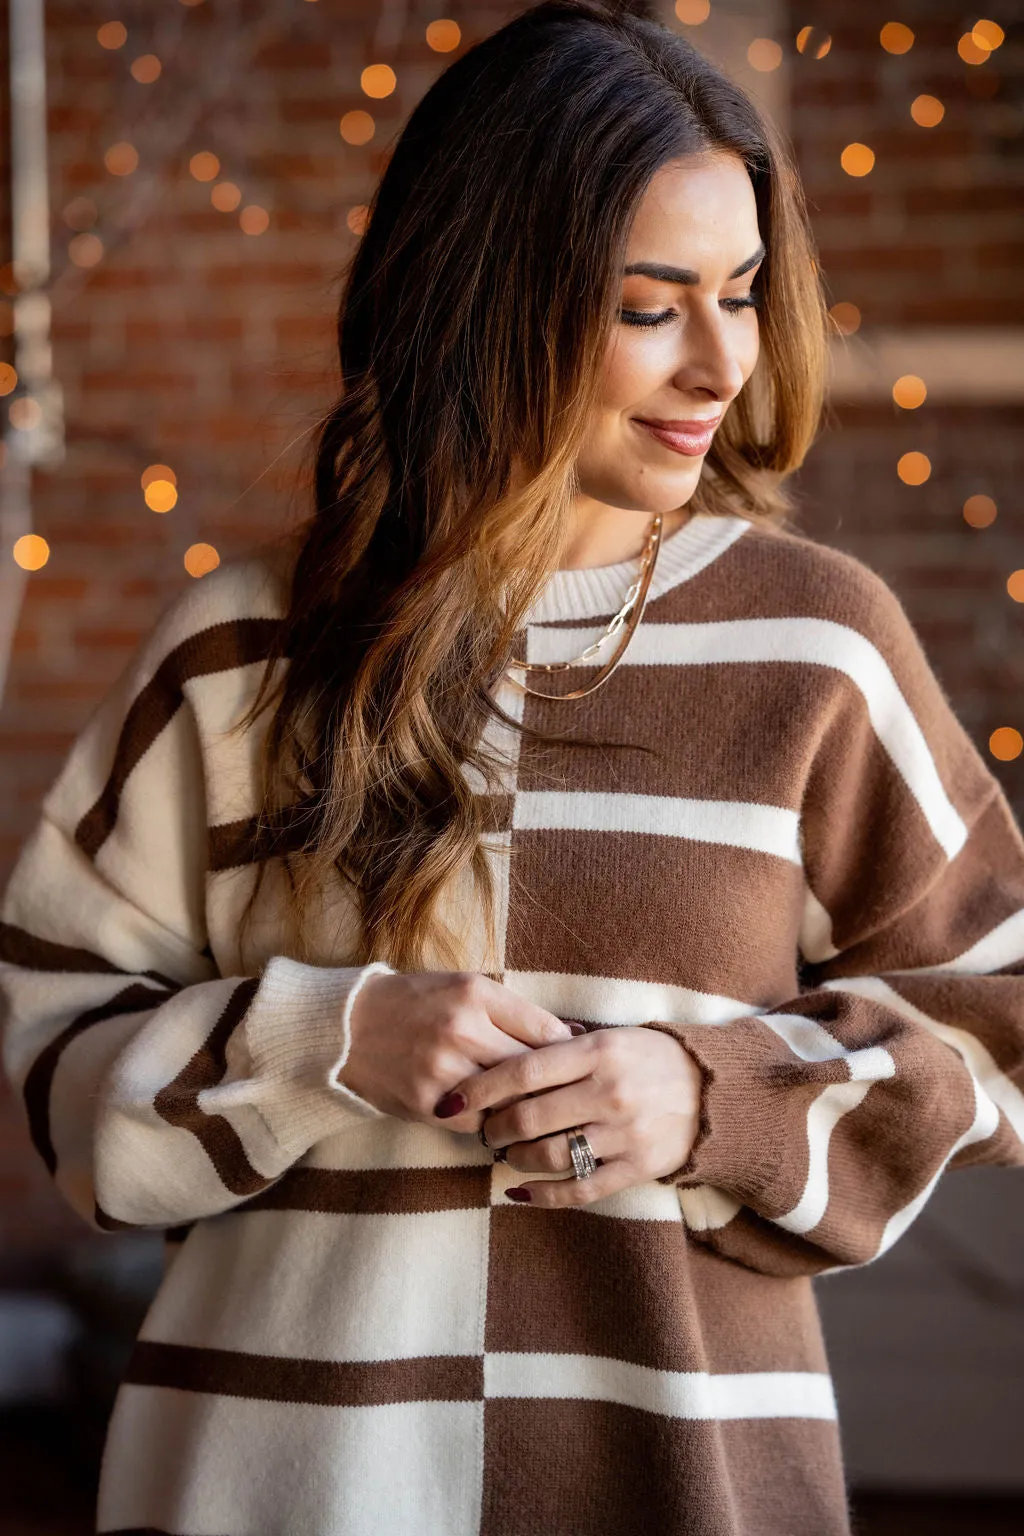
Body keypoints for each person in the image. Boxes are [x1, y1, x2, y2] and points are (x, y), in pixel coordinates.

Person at [2, 1, 1022, 1532]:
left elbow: (1002, 1017)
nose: (720, 365)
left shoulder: (819, 643)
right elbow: (50, 1057)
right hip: (285, 1485)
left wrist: (713, 1097)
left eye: (741, 295)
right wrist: (325, 1042)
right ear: (485, 304)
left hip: (688, 1479)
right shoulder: (238, 653)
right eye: (648, 305)